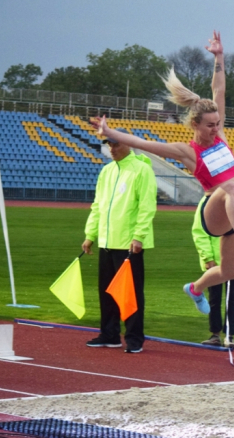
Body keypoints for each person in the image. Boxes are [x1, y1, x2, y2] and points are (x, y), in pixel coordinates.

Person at [90, 31, 234, 315]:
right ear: (195, 124)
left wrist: (219, 56)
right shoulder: (188, 151)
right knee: (231, 187)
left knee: (230, 272)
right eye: (210, 125)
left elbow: (219, 90)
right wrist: (109, 132)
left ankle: (195, 289)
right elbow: (144, 144)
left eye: (218, 123)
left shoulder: (222, 138)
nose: (216, 129)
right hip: (213, 211)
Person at [82, 127, 158, 354]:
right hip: (106, 241)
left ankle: (134, 339)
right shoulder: (106, 171)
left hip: (128, 243)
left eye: (116, 144)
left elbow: (147, 207)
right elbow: (98, 206)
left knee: (130, 293)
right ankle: (109, 334)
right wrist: (90, 234)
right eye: (109, 144)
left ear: (128, 143)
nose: (112, 148)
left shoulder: (142, 170)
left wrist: (139, 237)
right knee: (106, 291)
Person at [193, 196, 234, 349]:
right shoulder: (207, 201)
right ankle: (215, 334)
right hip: (214, 261)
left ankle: (229, 335)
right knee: (214, 298)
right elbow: (199, 231)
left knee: (232, 299)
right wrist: (207, 257)